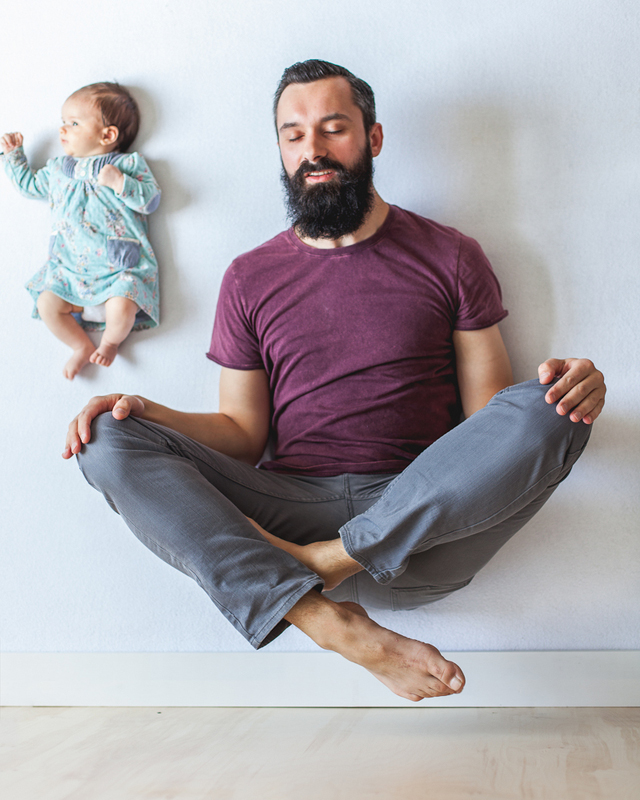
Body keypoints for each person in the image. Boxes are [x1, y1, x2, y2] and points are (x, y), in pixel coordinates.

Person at [64, 61, 605, 702]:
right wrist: (148, 413)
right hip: (287, 516)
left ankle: (330, 562)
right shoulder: (249, 276)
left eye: (333, 128)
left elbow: (489, 422)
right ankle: (330, 623)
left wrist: (566, 394)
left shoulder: (451, 254)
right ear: (280, 150)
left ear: (372, 138)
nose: (313, 150)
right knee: (104, 436)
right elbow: (241, 435)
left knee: (551, 405)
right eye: (293, 135)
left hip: (422, 524)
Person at [1, 82, 160, 380]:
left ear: (108, 135)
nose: (62, 130)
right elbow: (31, 186)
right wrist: (13, 156)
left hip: (116, 271)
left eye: (73, 123)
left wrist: (121, 184)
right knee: (47, 302)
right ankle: (80, 346)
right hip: (70, 271)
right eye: (63, 122)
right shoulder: (59, 169)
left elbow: (150, 200)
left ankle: (111, 342)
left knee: (123, 306)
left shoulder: (126, 165)